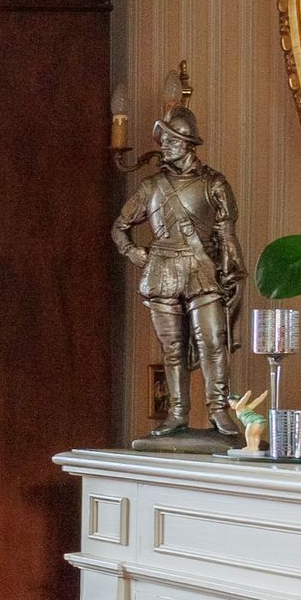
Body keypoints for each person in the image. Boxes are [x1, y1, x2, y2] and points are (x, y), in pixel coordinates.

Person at [114, 65, 246, 448]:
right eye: (165, 140)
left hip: (202, 268)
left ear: (188, 144)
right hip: (162, 269)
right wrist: (133, 252)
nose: (165, 146)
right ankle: (177, 413)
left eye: (172, 140)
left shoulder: (214, 184)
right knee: (172, 348)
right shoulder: (151, 186)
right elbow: (120, 227)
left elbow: (226, 233)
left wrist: (231, 270)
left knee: (212, 340)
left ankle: (218, 409)